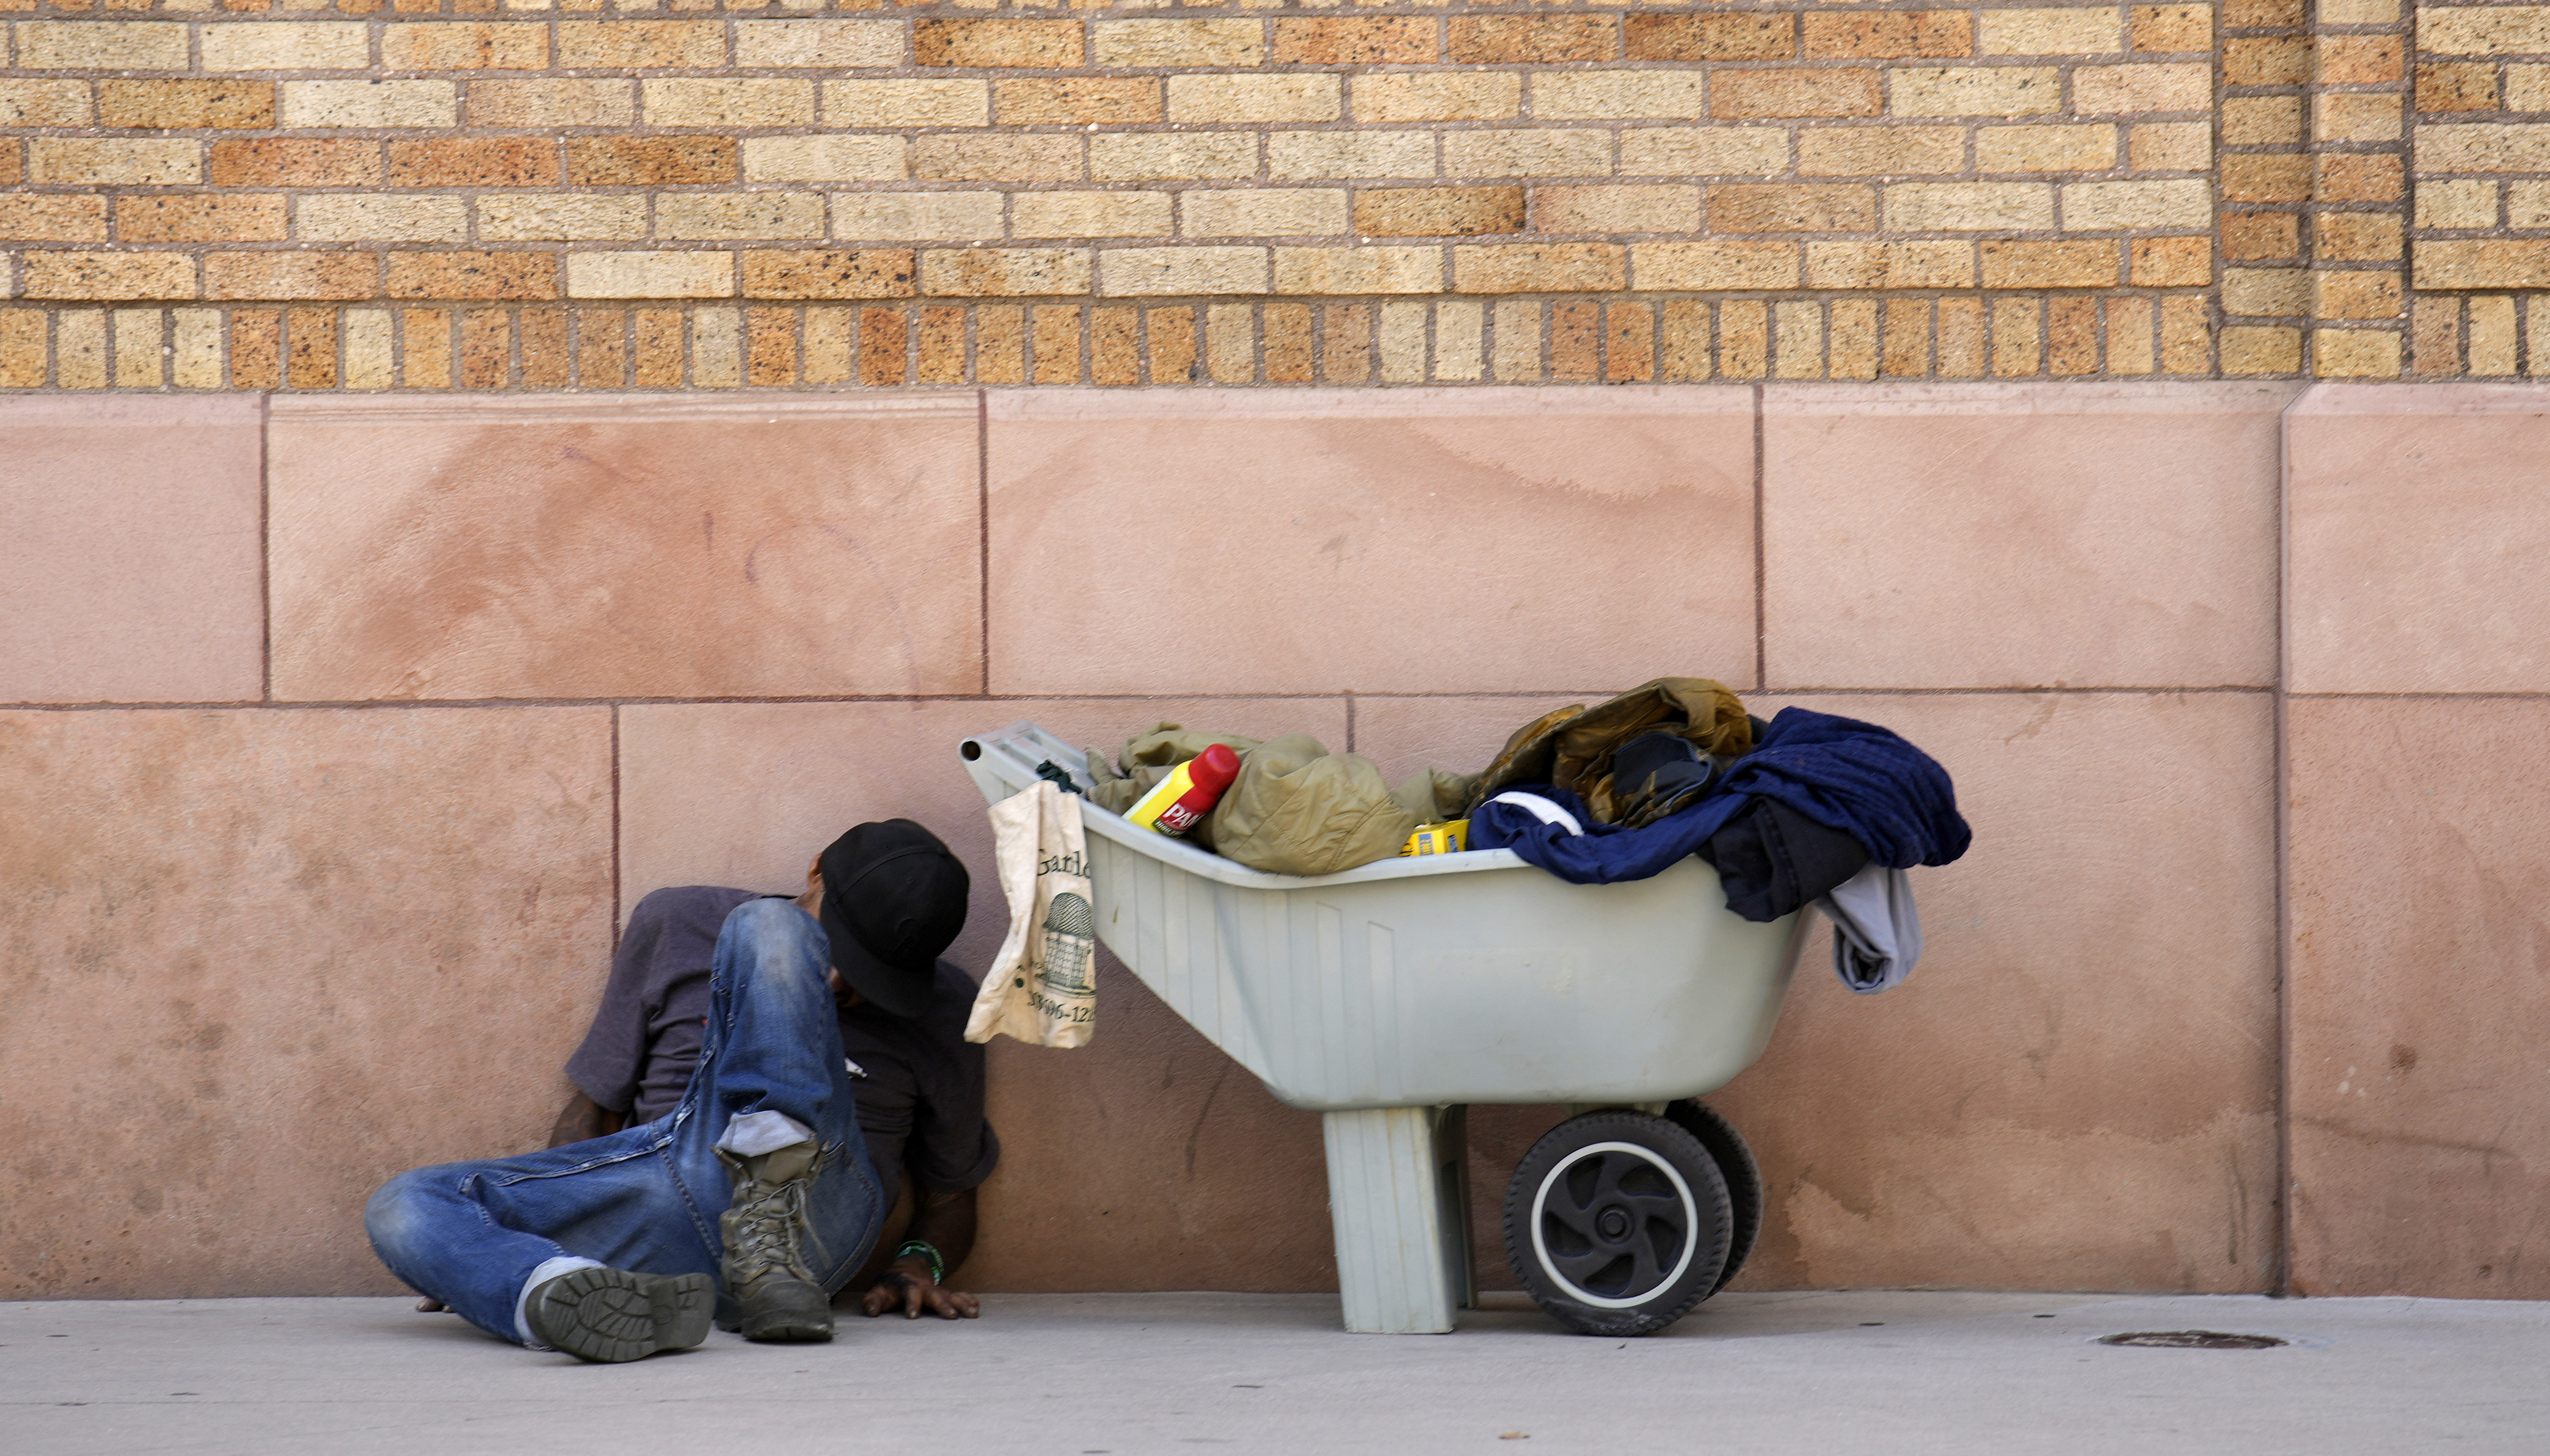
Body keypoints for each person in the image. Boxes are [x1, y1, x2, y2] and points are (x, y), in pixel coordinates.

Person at [365, 820, 999, 1363]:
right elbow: (591, 1113)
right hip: (671, 1179)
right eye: (835, 948)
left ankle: (769, 1240)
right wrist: (486, 1254)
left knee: (770, 925)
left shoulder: (946, 1009)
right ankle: (550, 1290)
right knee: (404, 1204)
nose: (836, 981)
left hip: (817, 1218)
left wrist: (920, 1262)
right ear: (815, 870)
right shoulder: (677, 924)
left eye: (870, 979)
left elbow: (950, 1198)